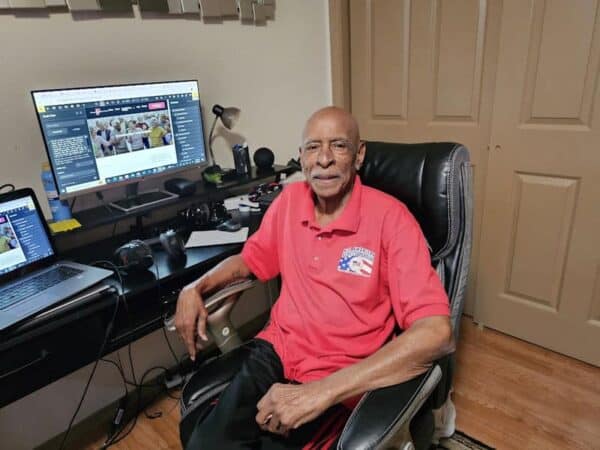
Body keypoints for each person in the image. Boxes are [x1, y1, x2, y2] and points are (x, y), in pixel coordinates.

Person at [174, 106, 455, 449]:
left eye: (338, 145)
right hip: (277, 351)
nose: (324, 159)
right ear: (302, 157)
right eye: (312, 147)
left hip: (343, 374)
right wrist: (195, 287)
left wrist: (319, 393)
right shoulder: (289, 202)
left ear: (359, 155)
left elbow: (437, 333)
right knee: (205, 443)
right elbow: (249, 260)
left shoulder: (391, 219)